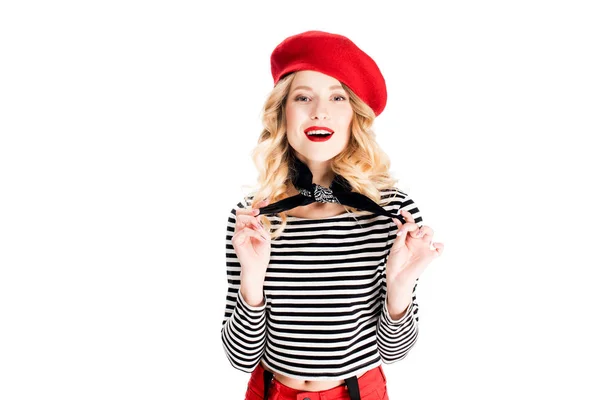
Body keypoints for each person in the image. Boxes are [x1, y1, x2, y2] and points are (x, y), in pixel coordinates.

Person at [221, 30, 444, 400]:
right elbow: (241, 357)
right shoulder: (254, 219)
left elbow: (395, 352)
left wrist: (400, 287)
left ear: (354, 117)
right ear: (283, 113)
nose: (319, 111)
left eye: (337, 97)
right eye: (303, 97)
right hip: (270, 392)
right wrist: (253, 277)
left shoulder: (391, 213)